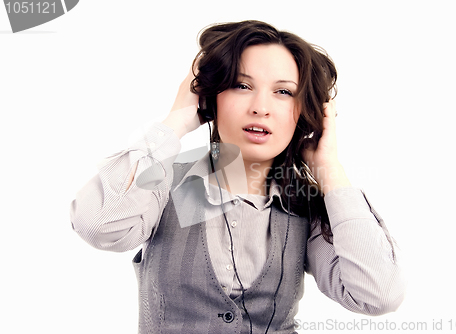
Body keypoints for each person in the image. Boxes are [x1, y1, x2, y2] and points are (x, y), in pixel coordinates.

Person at [70, 20, 406, 334]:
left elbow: (378, 296)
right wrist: (176, 122)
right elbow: (98, 227)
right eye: (241, 85)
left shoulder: (303, 202)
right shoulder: (166, 179)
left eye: (284, 92)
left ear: (305, 112)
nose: (261, 106)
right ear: (209, 97)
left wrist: (330, 172)